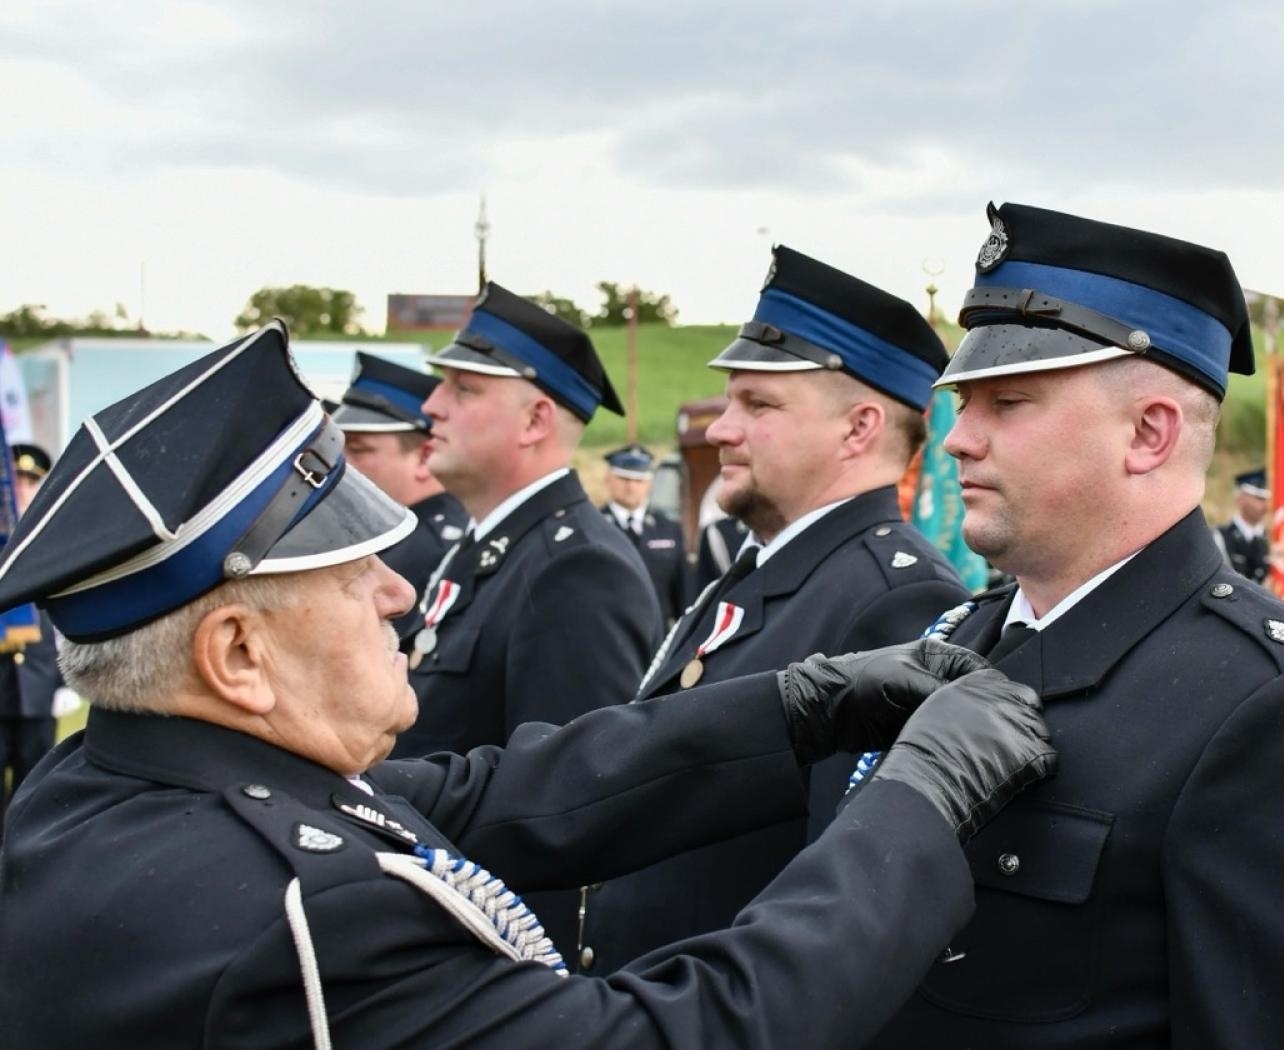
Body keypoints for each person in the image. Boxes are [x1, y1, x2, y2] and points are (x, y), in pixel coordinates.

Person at [0, 321, 1057, 1048]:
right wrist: (918, 808)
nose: (396, 593)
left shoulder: (107, 778)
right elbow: (685, 1034)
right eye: (351, 576)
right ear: (237, 656)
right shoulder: (310, 916)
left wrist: (798, 706)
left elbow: (504, 790)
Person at [861, 202, 1284, 1048]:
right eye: (963, 403)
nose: (957, 440)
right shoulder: (961, 640)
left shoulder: (1279, 709)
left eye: (1008, 402)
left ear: (1149, 433)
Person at [581, 246, 970, 975]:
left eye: (758, 405)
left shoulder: (896, 600)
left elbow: (842, 901)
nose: (720, 429)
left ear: (858, 428)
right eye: (731, 401)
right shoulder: (765, 567)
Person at [399, 281, 661, 757]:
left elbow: (562, 786)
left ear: (535, 422)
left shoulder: (578, 571)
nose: (431, 405)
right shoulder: (492, 545)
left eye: (463, 389)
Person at [330, 352, 467, 605]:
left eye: (358, 450)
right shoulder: (394, 533)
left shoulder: (431, 548)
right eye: (339, 448)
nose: (340, 462)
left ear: (425, 457)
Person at [0, 443, 63, 830]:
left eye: (29, 481)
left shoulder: (52, 542)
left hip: (39, 682)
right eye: (15, 481)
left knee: (33, 787)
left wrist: (64, 679)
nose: (21, 490)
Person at [599, 443, 690, 622]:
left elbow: (683, 592)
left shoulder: (668, 528)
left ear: (649, 484)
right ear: (608, 479)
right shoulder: (594, 527)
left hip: (659, 631)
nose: (631, 487)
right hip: (610, 630)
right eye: (624, 479)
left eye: (638, 480)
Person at [1214, 467, 1270, 582]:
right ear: (1241, 499)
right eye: (1259, 498)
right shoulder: (1220, 537)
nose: (1266, 505)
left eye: (1267, 499)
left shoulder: (1272, 540)